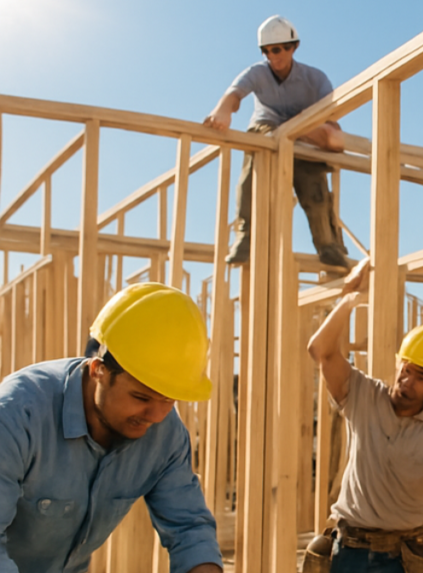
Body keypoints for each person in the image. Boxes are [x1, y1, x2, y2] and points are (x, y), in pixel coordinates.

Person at [0, 282, 223, 573]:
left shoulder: (165, 436)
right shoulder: (18, 415)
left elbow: (189, 529)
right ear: (98, 371)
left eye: (168, 399)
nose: (156, 416)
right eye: (141, 397)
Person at [307, 259, 423, 573]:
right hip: (349, 552)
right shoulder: (363, 396)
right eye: (406, 369)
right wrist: (348, 297)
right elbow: (321, 350)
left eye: (420, 377)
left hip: (405, 557)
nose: (406, 381)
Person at [203, 15, 349, 269]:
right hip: (266, 131)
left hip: (303, 138)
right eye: (267, 51)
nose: (273, 56)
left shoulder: (315, 79)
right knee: (256, 162)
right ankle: (246, 236)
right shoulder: (258, 73)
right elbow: (234, 94)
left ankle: (328, 245)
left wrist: (306, 131)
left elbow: (332, 123)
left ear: (294, 47)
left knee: (314, 186)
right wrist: (222, 111)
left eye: (279, 49)